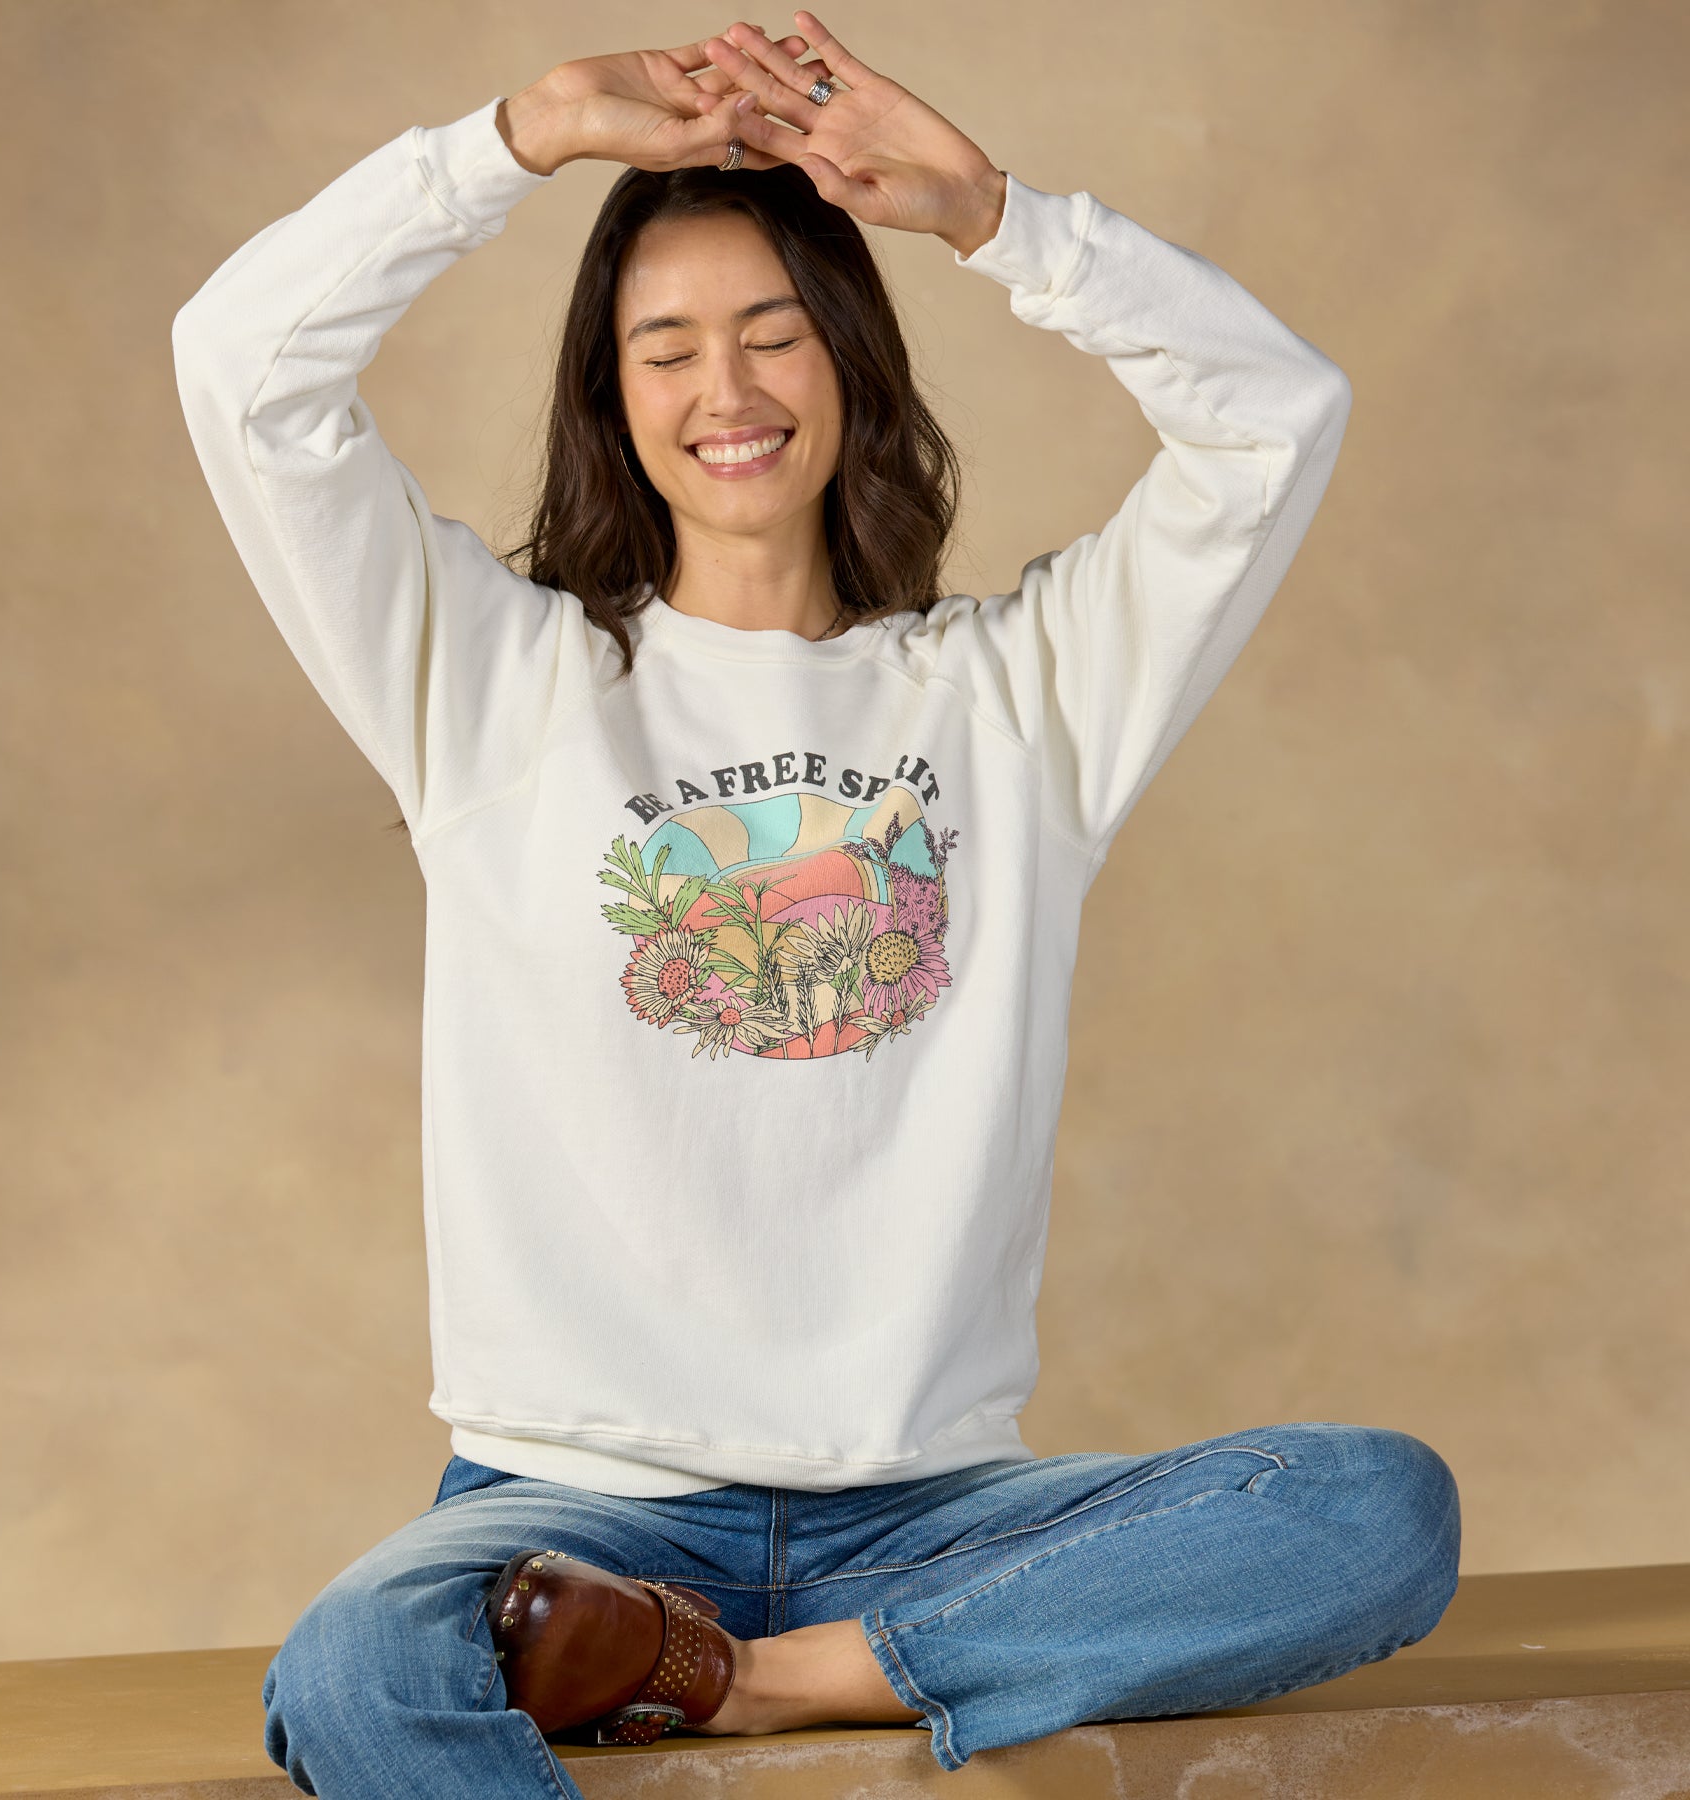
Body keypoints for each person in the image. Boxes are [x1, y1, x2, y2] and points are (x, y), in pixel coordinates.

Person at [171, 13, 1459, 1797]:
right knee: (357, 1671)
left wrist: (996, 216)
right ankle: (772, 1660)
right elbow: (241, 369)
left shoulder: (1021, 699)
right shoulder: (494, 685)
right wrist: (518, 137)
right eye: (669, 346)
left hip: (937, 1521)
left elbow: (1274, 417)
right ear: (614, 398)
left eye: (775, 331)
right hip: (569, 1523)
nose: (730, 387)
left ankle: (758, 1683)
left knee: (1373, 1510)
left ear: (850, 360)